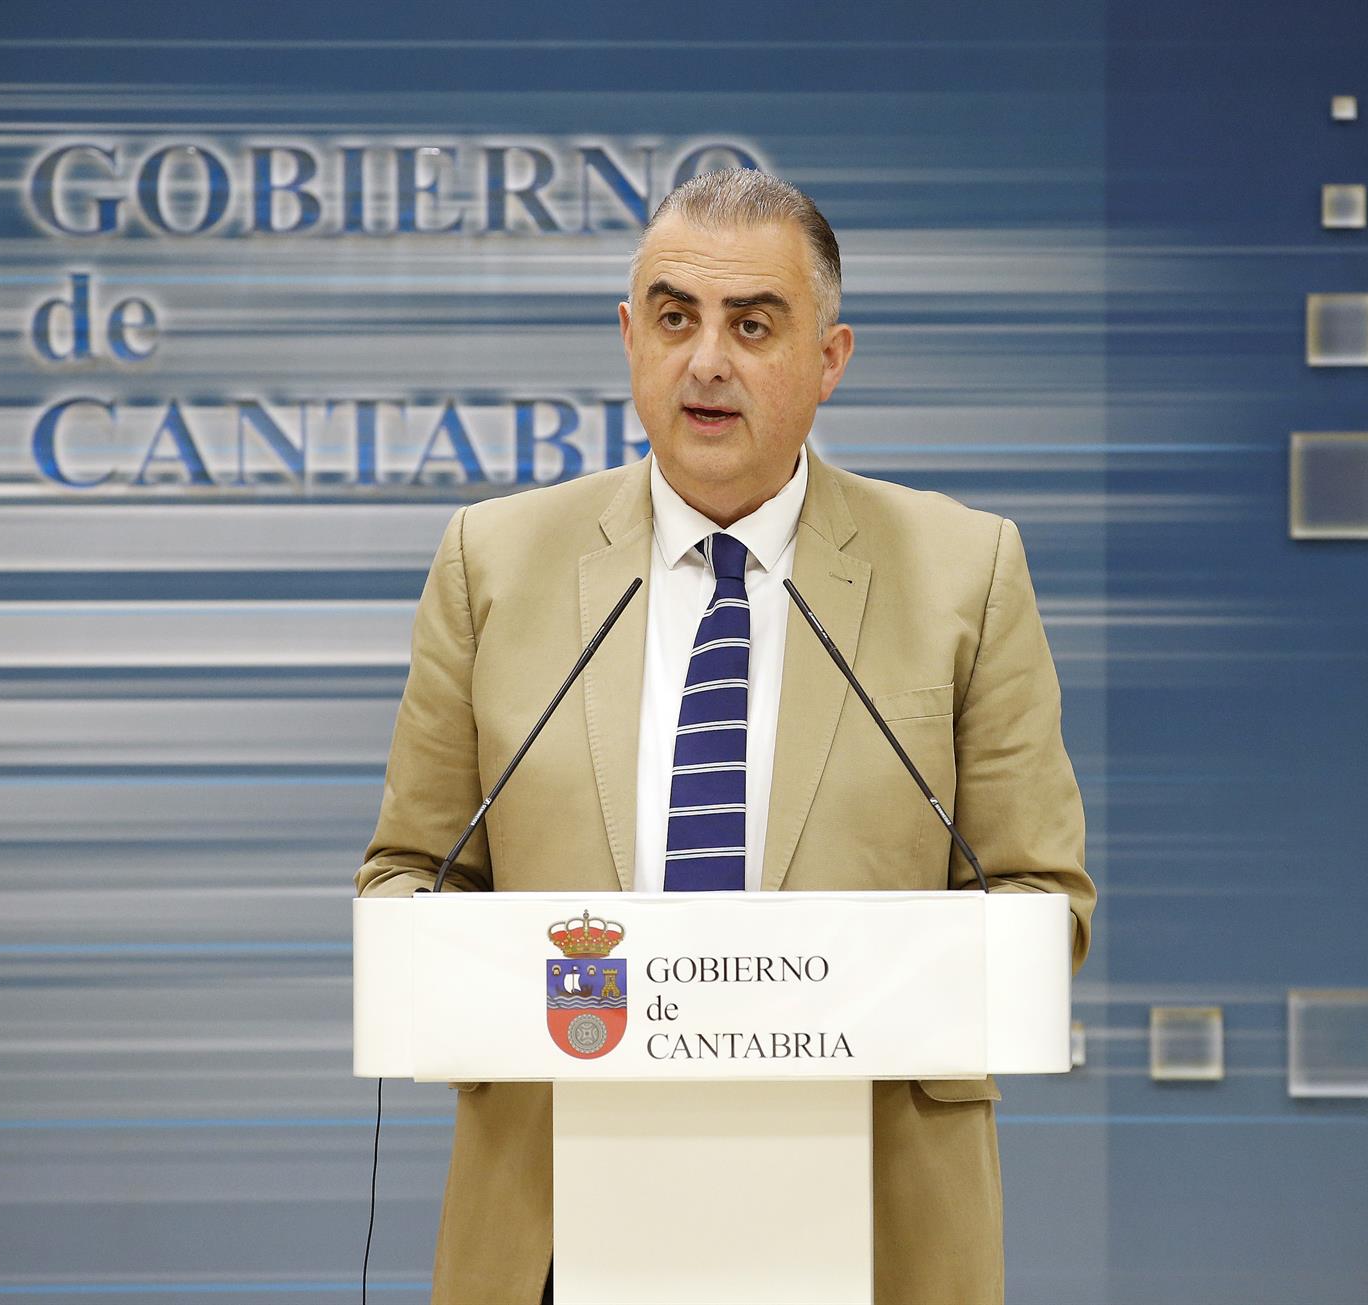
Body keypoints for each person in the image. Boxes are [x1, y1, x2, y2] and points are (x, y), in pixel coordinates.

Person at [357, 168, 1094, 1305]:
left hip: (873, 1231)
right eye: (674, 318)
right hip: (559, 1230)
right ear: (629, 339)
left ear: (830, 359)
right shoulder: (492, 565)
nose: (706, 361)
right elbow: (409, 878)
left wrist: (813, 988)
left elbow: (1043, 905)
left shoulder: (964, 573)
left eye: (753, 325)